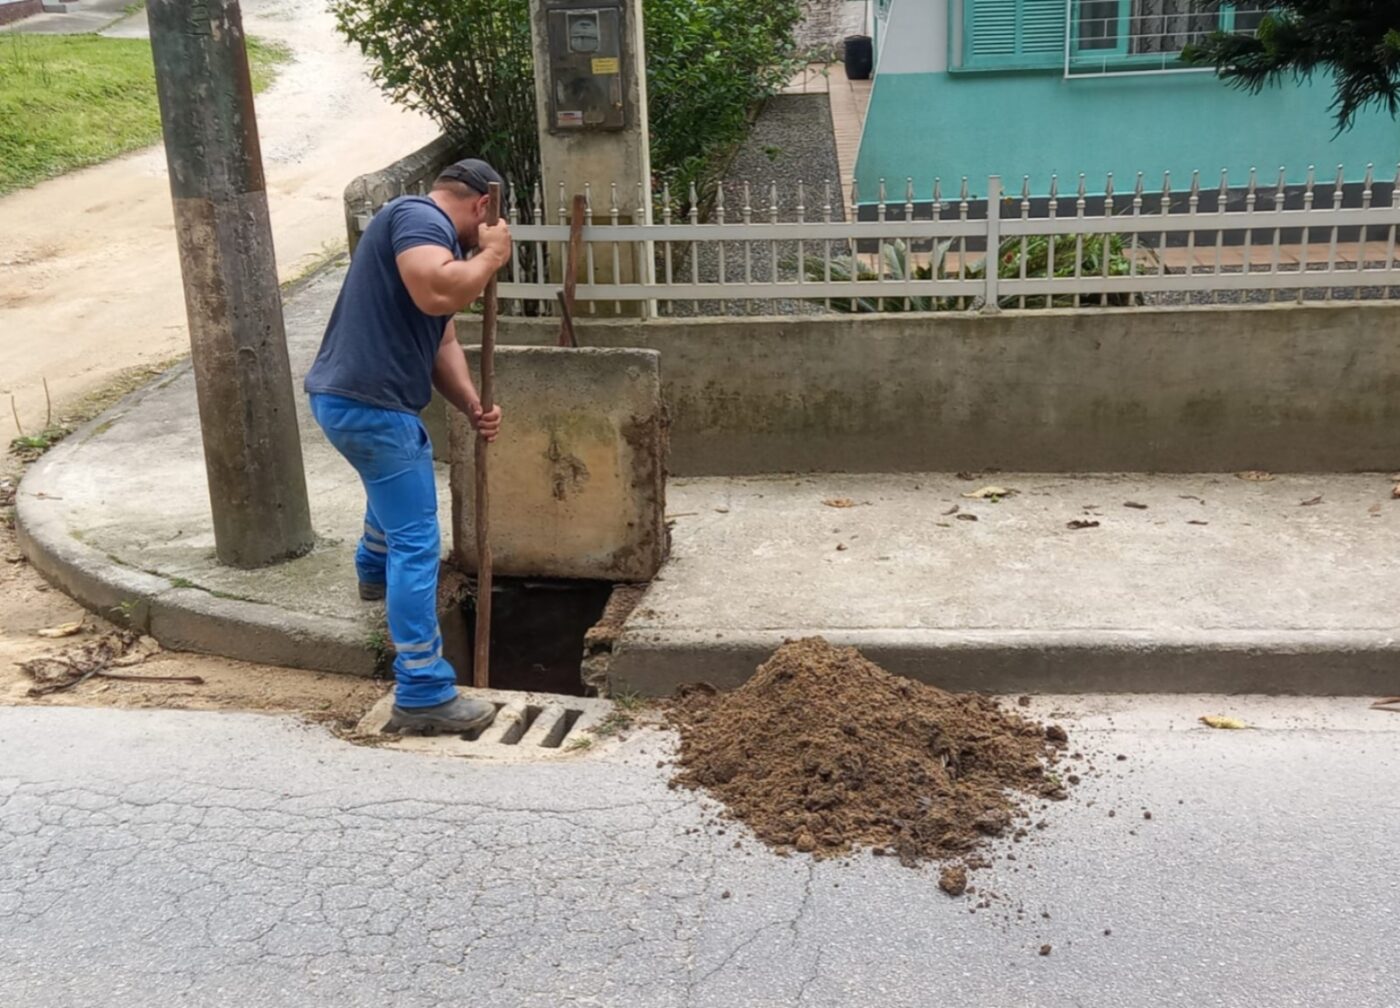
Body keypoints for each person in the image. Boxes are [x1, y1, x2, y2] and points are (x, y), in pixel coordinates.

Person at [304, 158, 511, 734]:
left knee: (392, 486)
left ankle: (372, 568)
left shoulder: (420, 229)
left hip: (348, 401)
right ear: (481, 207)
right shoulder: (420, 217)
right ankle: (422, 689)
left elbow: (440, 332)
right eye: (491, 223)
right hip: (373, 409)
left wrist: (469, 402)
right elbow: (438, 291)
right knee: (418, 541)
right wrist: (491, 256)